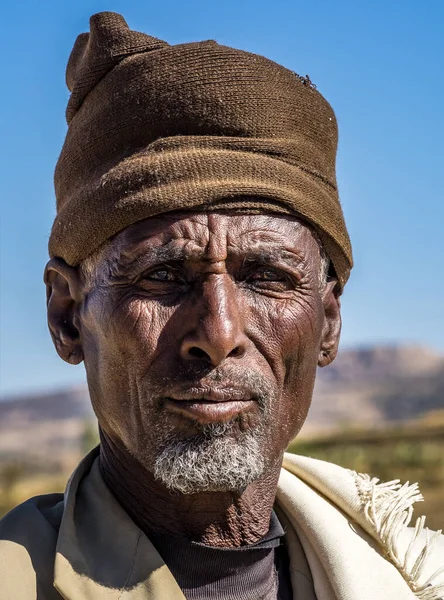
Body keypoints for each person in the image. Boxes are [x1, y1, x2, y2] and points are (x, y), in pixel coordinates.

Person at [0, 11, 442, 600]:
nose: (219, 330)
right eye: (162, 276)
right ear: (67, 317)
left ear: (329, 320)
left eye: (266, 277)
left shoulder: (410, 577)